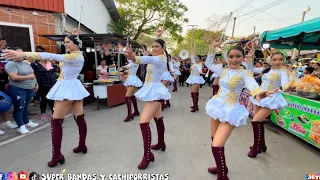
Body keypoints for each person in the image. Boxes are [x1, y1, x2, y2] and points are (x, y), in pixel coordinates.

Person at [1, 29, 90, 168]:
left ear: (76, 44)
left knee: (56, 122)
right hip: (74, 87)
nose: (65, 44)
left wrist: (24, 54)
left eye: (68, 42)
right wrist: (74, 35)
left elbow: (48, 55)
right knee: (79, 117)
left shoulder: (73, 57)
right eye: (65, 42)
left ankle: (57, 156)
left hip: (67, 87)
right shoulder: (77, 55)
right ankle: (82, 145)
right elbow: (63, 55)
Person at [204, 40, 272, 180]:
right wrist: (213, 47)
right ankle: (221, 167)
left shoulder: (244, 73)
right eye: (231, 56)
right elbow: (207, 63)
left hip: (231, 110)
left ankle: (223, 176)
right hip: (217, 107)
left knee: (217, 144)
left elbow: (252, 84)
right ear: (227, 57)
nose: (234, 59)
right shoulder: (222, 70)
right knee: (213, 139)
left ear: (242, 58)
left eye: (237, 56)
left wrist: (258, 92)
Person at [124, 30, 171, 170]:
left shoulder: (161, 58)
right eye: (153, 46)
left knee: (144, 121)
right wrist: (158, 36)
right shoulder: (158, 56)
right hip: (151, 90)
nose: (154, 49)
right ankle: (161, 143)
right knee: (158, 117)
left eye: (157, 46)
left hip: (156, 92)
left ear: (163, 49)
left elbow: (148, 59)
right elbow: (150, 57)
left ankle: (147, 155)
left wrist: (134, 58)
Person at [247, 51, 293, 158]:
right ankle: (261, 145)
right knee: (258, 121)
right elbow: (251, 70)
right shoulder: (267, 70)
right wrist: (249, 58)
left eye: (281, 59)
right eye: (275, 59)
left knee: (256, 121)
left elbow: (285, 83)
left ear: (284, 61)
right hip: (260, 96)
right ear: (270, 61)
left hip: (272, 98)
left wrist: (287, 88)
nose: (278, 62)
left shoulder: (283, 71)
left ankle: (256, 146)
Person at [4, 47, 39, 135]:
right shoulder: (11, 64)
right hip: (18, 89)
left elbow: (32, 73)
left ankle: (26, 122)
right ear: (13, 55)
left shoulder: (25, 63)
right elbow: (14, 77)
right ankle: (21, 126)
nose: (22, 55)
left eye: (22, 53)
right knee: (19, 107)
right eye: (19, 54)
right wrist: (29, 77)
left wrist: (35, 83)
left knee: (26, 106)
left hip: (29, 88)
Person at [31, 46, 58, 120]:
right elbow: (32, 74)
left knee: (52, 99)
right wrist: (36, 83)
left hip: (52, 84)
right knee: (44, 99)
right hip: (42, 84)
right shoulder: (35, 64)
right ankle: (43, 113)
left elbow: (55, 73)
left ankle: (54, 113)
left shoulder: (50, 64)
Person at [120, 57, 143, 122]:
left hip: (133, 79)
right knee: (131, 95)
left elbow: (126, 66)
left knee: (127, 97)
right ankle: (136, 111)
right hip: (130, 79)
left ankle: (130, 114)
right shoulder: (132, 62)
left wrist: (123, 67)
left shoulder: (135, 61)